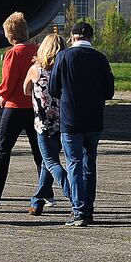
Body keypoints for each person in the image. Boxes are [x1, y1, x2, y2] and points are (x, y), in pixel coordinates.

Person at [49, 21, 115, 227]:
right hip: (94, 120)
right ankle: (88, 209)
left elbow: (53, 89)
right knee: (89, 165)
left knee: (74, 164)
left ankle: (78, 211)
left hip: (71, 119)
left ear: (72, 37)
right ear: (91, 38)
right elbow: (109, 92)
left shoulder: (64, 57)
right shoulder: (100, 59)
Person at [0, 12, 42, 207]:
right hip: (33, 106)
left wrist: (3, 95)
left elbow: (8, 82)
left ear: (10, 35)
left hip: (15, 107)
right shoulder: (37, 51)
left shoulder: (13, 53)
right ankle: (45, 191)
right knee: (39, 151)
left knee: (3, 150)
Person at [24, 32, 72, 216]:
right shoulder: (65, 70)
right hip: (63, 121)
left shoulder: (36, 69)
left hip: (43, 123)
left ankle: (73, 194)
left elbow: (26, 90)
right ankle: (37, 201)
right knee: (46, 161)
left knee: (51, 162)